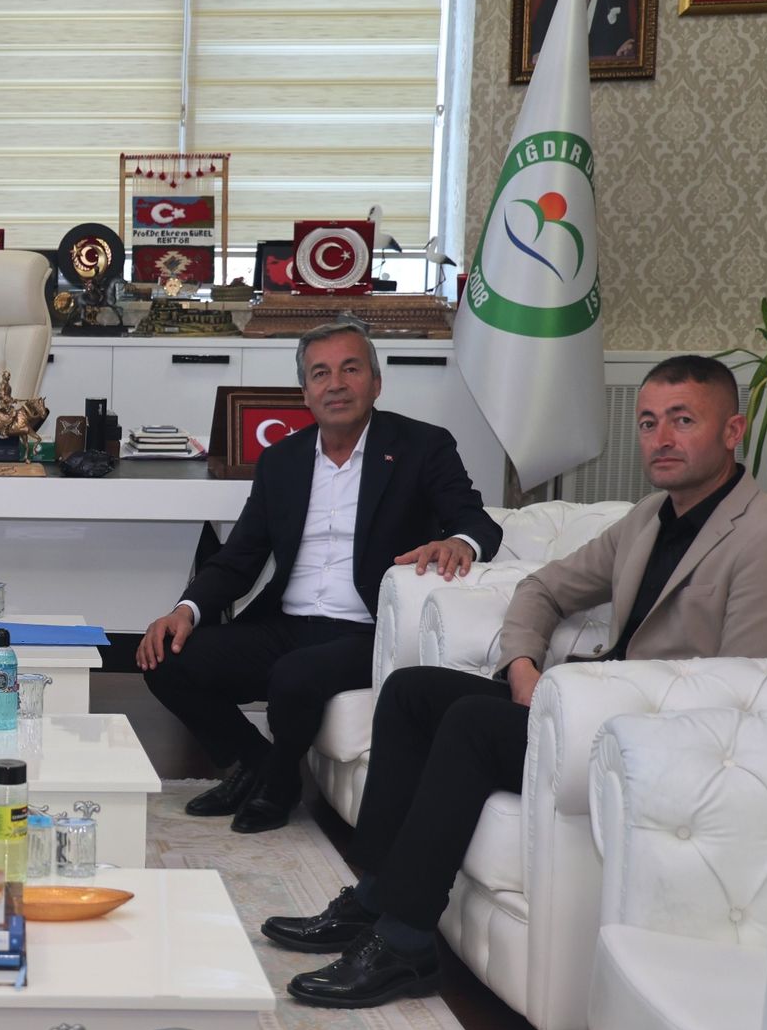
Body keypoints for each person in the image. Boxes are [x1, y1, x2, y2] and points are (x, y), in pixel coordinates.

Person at [265, 355, 767, 1008]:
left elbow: (744, 695)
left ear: (732, 431)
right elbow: (542, 588)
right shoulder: (649, 518)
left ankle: (405, 943)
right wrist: (523, 665)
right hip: (584, 710)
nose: (662, 439)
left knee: (472, 724)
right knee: (413, 692)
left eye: (683, 420)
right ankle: (375, 897)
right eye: (648, 423)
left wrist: (584, 696)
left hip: (654, 742)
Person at [138, 317, 503, 834]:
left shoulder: (422, 446)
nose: (336, 384)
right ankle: (263, 766)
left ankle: (276, 783)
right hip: (286, 623)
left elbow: (478, 522)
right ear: (304, 393)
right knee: (164, 659)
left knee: (296, 675)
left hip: (367, 630)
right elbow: (240, 556)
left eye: (351, 369)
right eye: (321, 373)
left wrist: (458, 542)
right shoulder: (282, 461)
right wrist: (185, 610)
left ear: (376, 383)